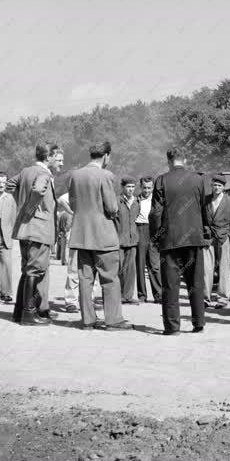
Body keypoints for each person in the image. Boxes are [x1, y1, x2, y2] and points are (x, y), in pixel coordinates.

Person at [68, 141, 132, 331]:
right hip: (104, 236)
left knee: (85, 280)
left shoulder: (75, 175)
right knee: (110, 279)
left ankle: (87, 321)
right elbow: (112, 207)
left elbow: (72, 204)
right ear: (106, 156)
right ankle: (113, 321)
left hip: (82, 236)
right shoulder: (106, 176)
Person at [150, 147, 207, 335]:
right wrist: (203, 232)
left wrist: (155, 236)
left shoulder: (161, 180)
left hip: (170, 240)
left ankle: (172, 327)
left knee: (170, 285)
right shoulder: (198, 180)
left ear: (168, 160)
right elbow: (203, 208)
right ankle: (198, 323)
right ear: (186, 159)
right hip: (194, 238)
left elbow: (156, 213)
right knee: (196, 282)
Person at [8, 143, 63, 325]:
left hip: (25, 230)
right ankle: (29, 314)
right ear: (48, 158)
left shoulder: (26, 171)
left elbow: (10, 184)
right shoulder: (44, 174)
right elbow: (38, 190)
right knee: (35, 270)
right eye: (57, 157)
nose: (59, 161)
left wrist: (22, 205)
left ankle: (19, 312)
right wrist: (31, 208)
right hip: (38, 230)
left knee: (27, 270)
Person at [204, 174, 230, 308]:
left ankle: (223, 299)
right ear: (211, 186)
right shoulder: (206, 200)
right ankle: (205, 298)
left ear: (224, 187)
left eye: (219, 186)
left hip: (223, 238)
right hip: (208, 239)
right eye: (214, 185)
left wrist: (229, 236)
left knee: (224, 269)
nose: (216, 188)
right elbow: (201, 219)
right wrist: (204, 230)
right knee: (206, 268)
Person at [135, 176, 161, 303]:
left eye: (149, 188)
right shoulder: (135, 200)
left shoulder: (157, 200)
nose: (147, 190)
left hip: (153, 232)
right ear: (141, 187)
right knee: (140, 265)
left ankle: (159, 295)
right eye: (144, 188)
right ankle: (142, 295)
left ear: (153, 187)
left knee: (155, 265)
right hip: (140, 230)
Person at [117, 176, 140, 304]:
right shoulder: (117, 201)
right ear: (123, 187)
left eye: (132, 187)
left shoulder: (137, 202)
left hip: (132, 240)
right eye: (128, 187)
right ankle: (118, 295)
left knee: (131, 269)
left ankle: (128, 296)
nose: (131, 189)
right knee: (119, 269)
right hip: (119, 240)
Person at [0, 171, 17, 304]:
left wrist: (12, 234)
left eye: (4, 182)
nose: (1, 185)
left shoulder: (10, 198)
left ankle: (6, 292)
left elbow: (13, 218)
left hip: (5, 237)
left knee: (6, 265)